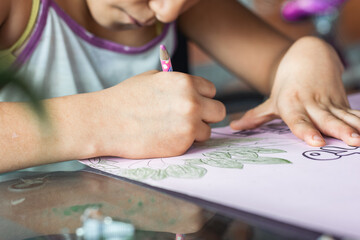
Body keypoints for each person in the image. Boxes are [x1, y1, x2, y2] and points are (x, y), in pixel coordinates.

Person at [0, 0, 359, 173]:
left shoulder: (180, 6)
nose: (167, 11)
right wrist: (103, 120)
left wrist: (307, 55)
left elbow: (279, 62)